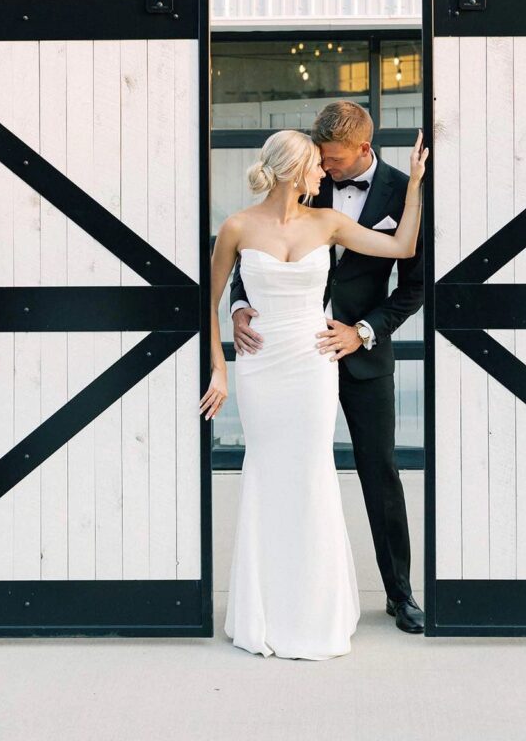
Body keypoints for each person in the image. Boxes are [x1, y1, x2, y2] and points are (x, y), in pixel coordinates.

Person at [202, 123, 427, 660]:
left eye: (330, 161)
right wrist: (221, 364)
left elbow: (404, 249)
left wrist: (416, 183)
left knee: (333, 473)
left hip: (319, 360)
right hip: (262, 365)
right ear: (293, 169)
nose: (324, 171)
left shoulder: (329, 219)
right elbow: (210, 297)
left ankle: (359, 601)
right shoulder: (237, 226)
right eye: (316, 163)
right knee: (265, 473)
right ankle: (264, 606)